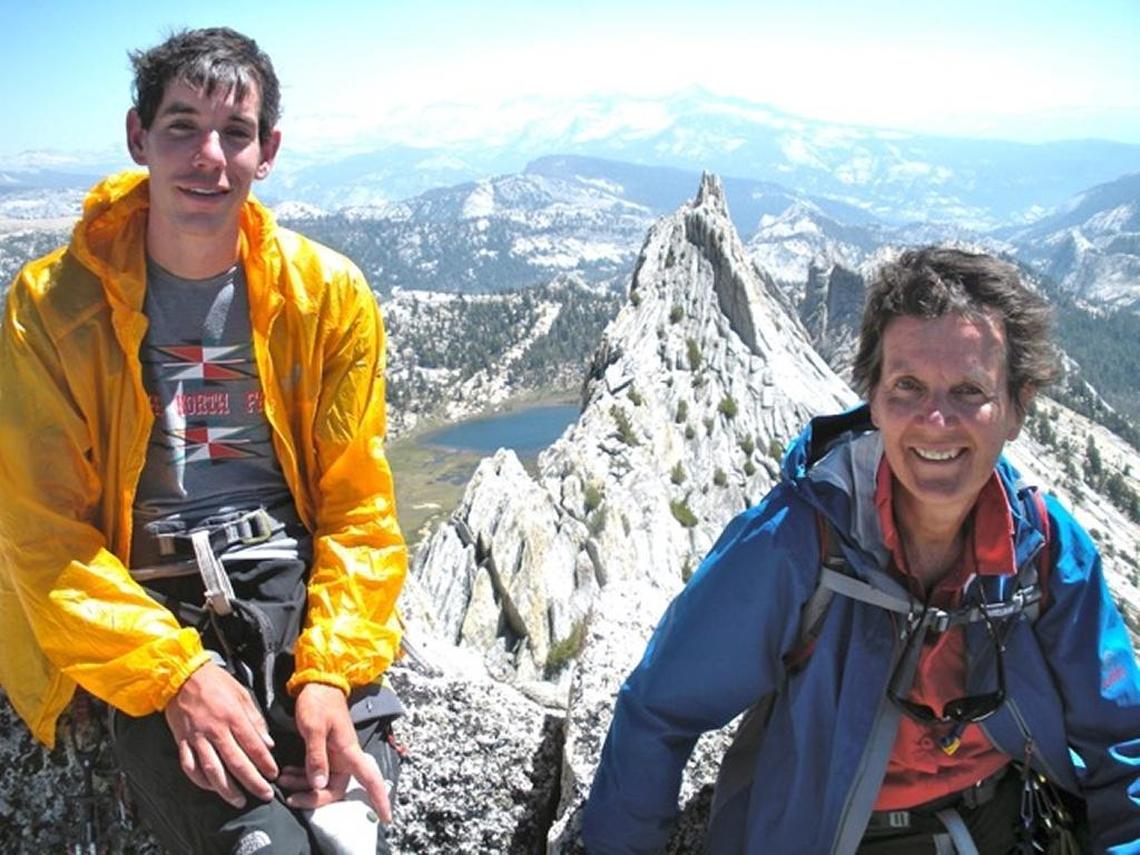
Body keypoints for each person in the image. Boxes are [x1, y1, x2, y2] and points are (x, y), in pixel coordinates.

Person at [581, 247, 1140, 852]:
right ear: (871, 400)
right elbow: (660, 709)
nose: (936, 420)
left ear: (1016, 409)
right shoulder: (797, 542)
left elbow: (1124, 743)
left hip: (1010, 823)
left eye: (969, 390)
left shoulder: (1044, 548)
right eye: (907, 386)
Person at [0, 27, 407, 854]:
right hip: (146, 596)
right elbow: (41, 539)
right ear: (136, 136)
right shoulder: (51, 307)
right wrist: (174, 675)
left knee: (353, 826)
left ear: (269, 152)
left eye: (236, 132)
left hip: (287, 582)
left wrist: (329, 670)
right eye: (181, 125)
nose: (207, 156)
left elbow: (357, 507)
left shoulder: (325, 294)